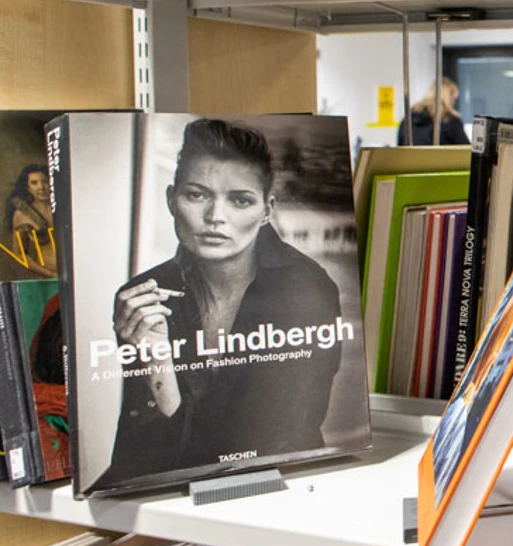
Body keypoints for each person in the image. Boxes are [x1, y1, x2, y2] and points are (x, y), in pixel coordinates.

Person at [103, 119, 345, 487]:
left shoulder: (306, 290)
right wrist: (155, 362)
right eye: (197, 195)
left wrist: (162, 373)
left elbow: (255, 441)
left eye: (240, 200)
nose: (216, 217)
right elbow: (138, 448)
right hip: (168, 496)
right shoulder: (143, 295)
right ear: (171, 198)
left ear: (266, 210)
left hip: (281, 485)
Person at [8, 164, 56, 277]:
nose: (41, 187)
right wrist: (50, 274)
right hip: (50, 279)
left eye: (45, 181)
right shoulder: (22, 214)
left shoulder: (67, 206)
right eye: (34, 183)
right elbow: (19, 253)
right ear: (27, 188)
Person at [400, 78, 469, 145]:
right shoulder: (450, 121)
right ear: (450, 98)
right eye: (453, 99)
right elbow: (466, 151)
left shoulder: (409, 119)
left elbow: (400, 147)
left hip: (412, 156)